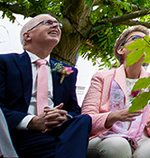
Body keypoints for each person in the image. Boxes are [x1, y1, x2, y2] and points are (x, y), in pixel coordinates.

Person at [0, 14, 91, 158]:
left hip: (59, 133)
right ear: (27, 35)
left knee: (83, 119)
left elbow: (73, 109)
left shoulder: (68, 71)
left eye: (58, 25)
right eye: (48, 23)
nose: (56, 26)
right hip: (19, 134)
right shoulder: (5, 63)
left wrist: (64, 117)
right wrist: (32, 122)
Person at [80, 26, 150, 158]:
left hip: (140, 137)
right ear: (121, 50)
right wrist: (114, 116)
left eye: (148, 41)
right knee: (119, 146)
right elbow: (87, 119)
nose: (143, 42)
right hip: (104, 135)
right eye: (136, 38)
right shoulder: (102, 77)